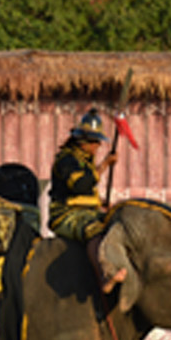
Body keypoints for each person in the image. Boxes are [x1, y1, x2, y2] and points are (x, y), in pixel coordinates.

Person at [48, 109, 126, 293]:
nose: (98, 146)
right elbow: (80, 185)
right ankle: (105, 276)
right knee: (94, 229)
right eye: (94, 141)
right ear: (82, 141)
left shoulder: (86, 160)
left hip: (86, 211)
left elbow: (87, 194)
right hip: (65, 215)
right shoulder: (66, 160)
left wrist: (101, 203)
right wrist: (104, 165)